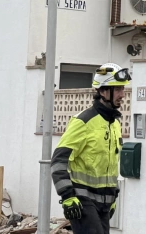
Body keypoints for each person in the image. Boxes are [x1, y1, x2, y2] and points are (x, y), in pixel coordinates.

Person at [52, 63, 131, 234]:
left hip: (105, 203)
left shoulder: (115, 124)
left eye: (122, 89)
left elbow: (109, 163)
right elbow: (58, 161)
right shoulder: (83, 121)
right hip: (82, 201)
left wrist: (113, 195)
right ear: (103, 91)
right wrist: (67, 196)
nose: (122, 95)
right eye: (117, 89)